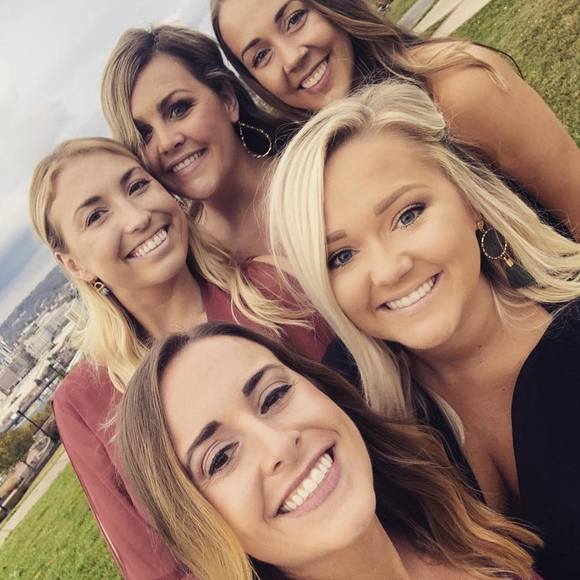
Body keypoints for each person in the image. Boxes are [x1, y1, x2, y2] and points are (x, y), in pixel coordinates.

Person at [267, 81, 580, 579]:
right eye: (341, 256)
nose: (389, 269)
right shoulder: (353, 415)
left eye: (408, 215)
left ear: (469, 200)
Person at [29, 137, 332, 579]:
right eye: (96, 216)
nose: (137, 217)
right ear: (74, 264)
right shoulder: (86, 403)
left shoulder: (271, 290)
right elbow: (152, 566)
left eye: (137, 186)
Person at [117, 321, 541, 580]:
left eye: (274, 395)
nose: (279, 444)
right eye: (221, 458)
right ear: (195, 523)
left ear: (322, 390)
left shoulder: (446, 512)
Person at [211, 0, 580, 238]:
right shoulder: (323, 174)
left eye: (295, 19)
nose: (291, 58)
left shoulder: (456, 86)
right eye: (261, 56)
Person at [101, 25, 283, 260]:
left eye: (178, 109)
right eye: (143, 134)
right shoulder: (184, 259)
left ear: (227, 99)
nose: (166, 142)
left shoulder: (319, 170)